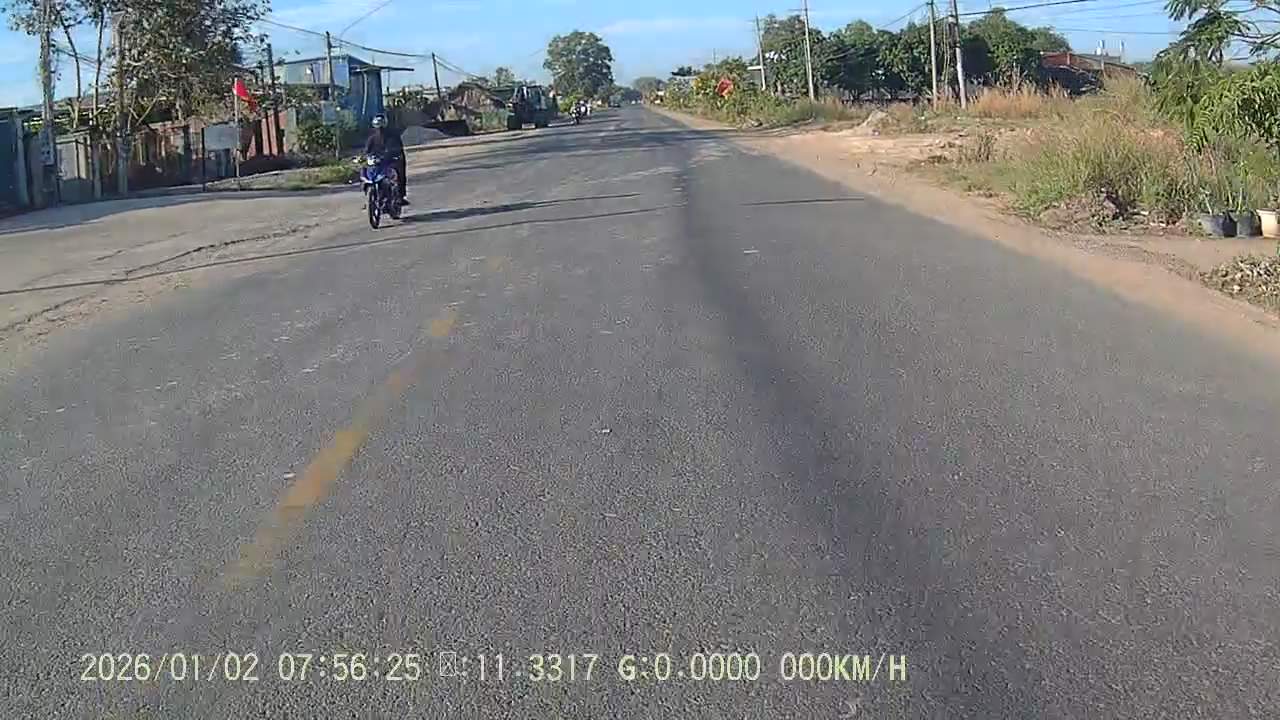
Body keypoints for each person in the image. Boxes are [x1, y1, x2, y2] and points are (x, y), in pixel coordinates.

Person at [364, 114, 408, 204]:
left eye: (381, 126)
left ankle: (399, 196)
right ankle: (371, 197)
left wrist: (392, 154)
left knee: (398, 173)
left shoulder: (393, 136)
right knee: (367, 171)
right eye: (377, 126)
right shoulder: (372, 138)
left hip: (390, 161)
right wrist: (365, 157)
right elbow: (367, 150)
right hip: (377, 163)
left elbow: (398, 148)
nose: (379, 129)